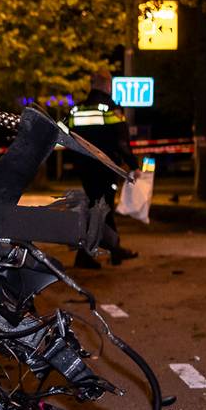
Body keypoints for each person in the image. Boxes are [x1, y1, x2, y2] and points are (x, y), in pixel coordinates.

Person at [67, 70, 139, 269]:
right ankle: (106, 251)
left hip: (84, 168)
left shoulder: (77, 110)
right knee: (102, 209)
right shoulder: (111, 109)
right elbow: (122, 143)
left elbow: (69, 138)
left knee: (99, 208)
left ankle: (99, 253)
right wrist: (133, 166)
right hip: (105, 167)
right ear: (108, 85)